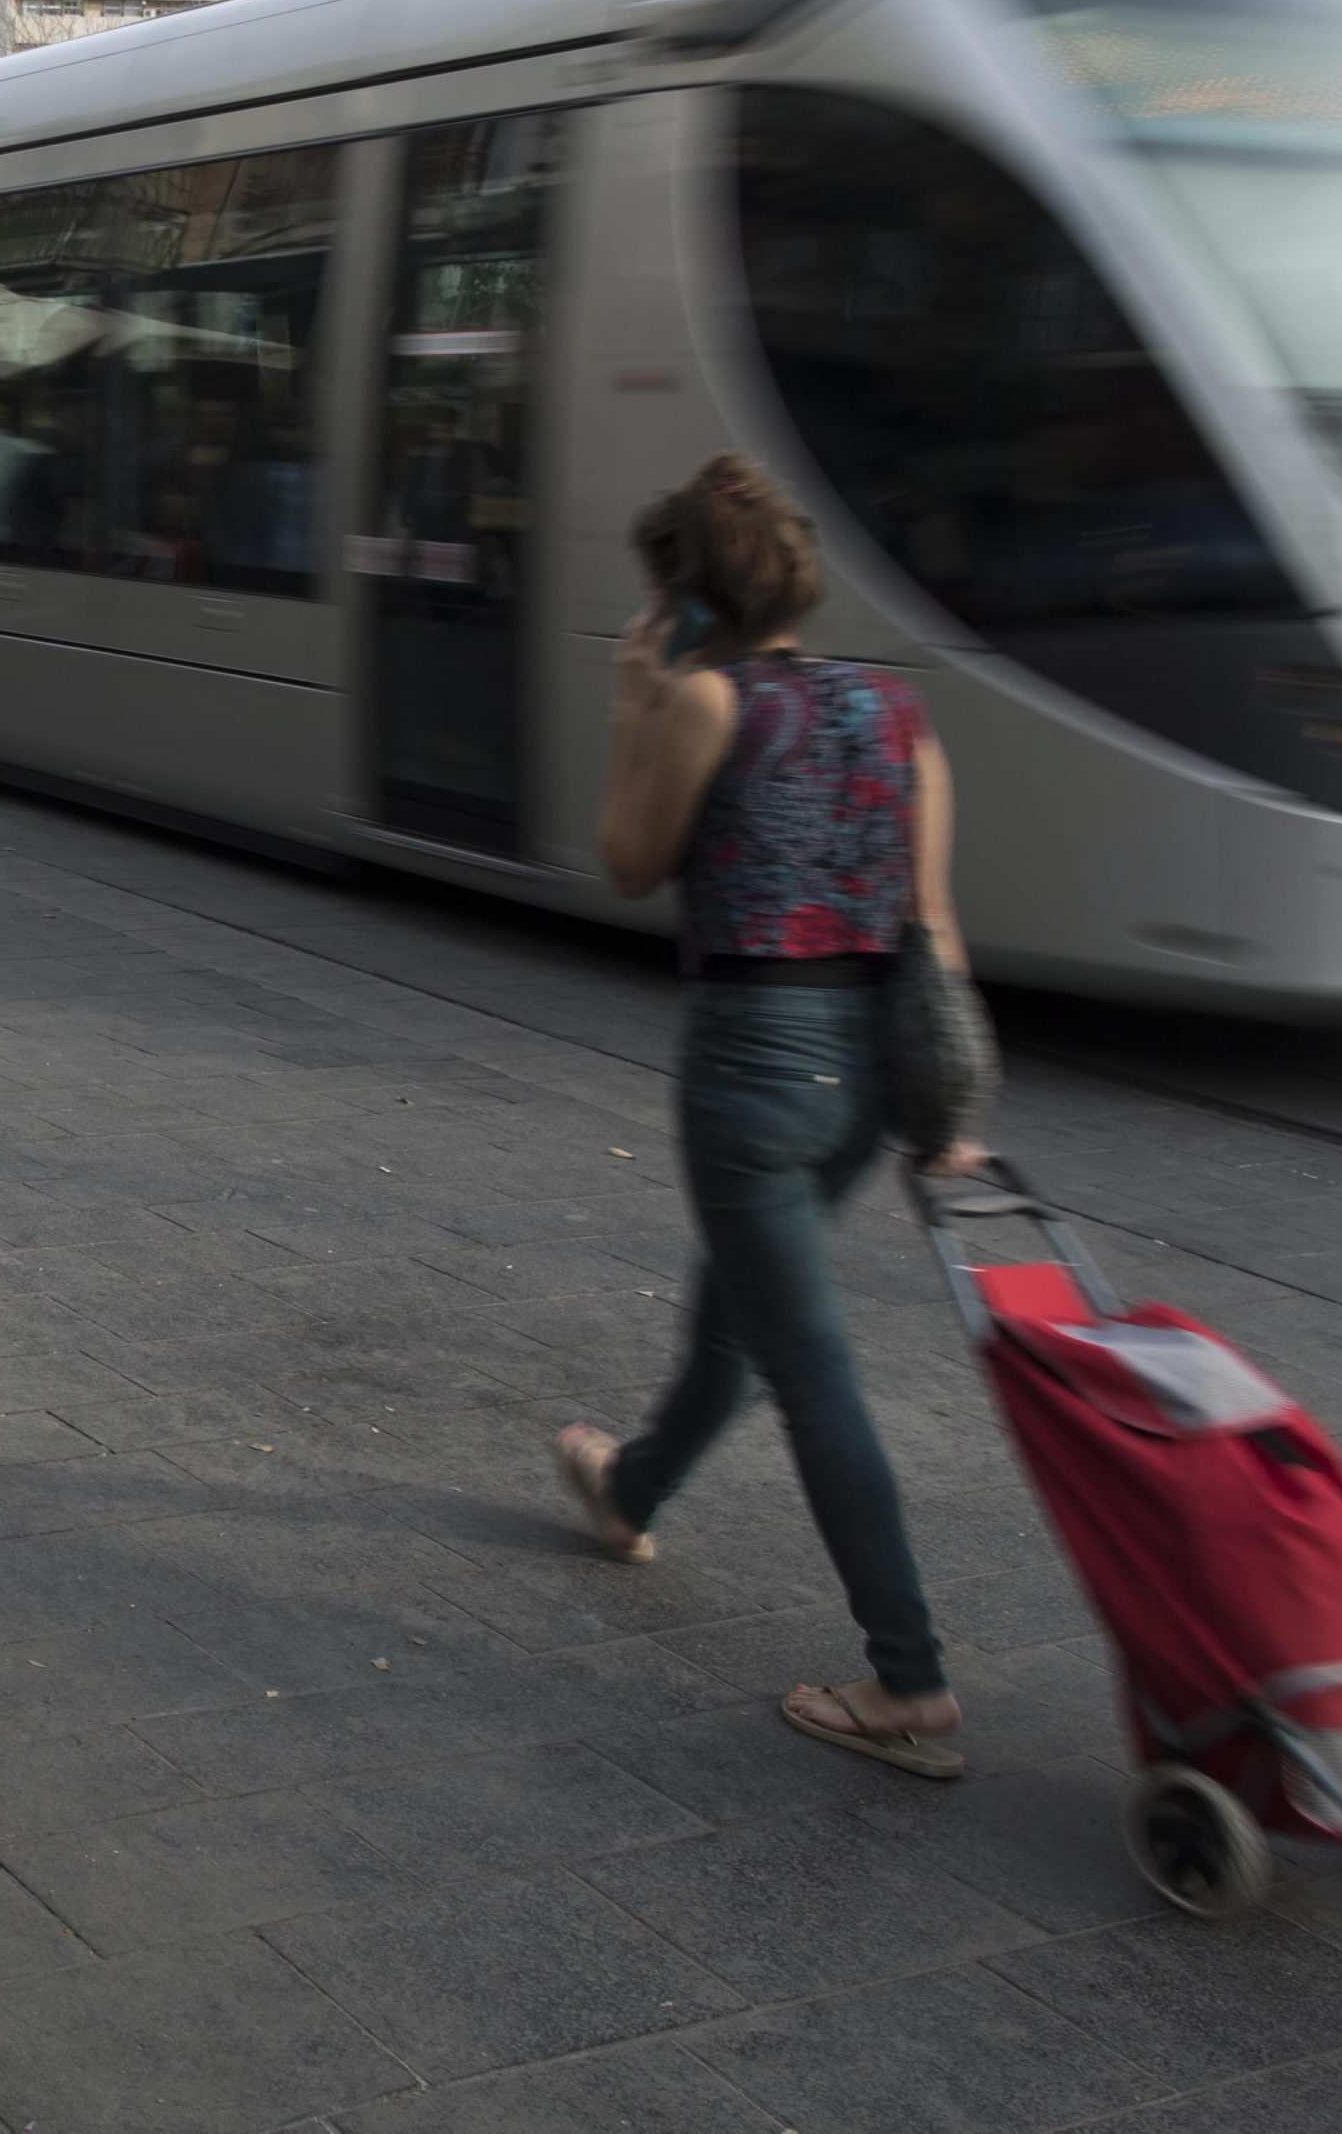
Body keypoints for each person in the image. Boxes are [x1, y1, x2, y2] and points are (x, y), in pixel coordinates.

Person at [556, 452, 982, 1781]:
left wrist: (632, 700)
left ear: (686, 597)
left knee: (808, 1367)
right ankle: (628, 1488)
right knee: (742, 1311)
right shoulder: (897, 709)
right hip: (866, 1073)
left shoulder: (705, 699)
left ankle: (907, 1680)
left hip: (752, 1069)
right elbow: (932, 923)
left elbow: (630, 864)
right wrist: (949, 1104)